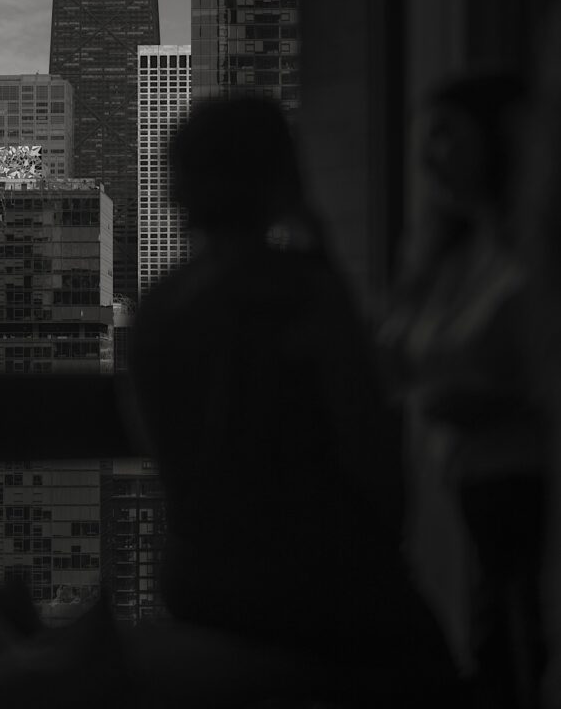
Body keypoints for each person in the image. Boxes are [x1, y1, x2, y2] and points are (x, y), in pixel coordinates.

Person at [126, 94, 469, 707]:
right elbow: (382, 477)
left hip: (196, 581)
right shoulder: (305, 296)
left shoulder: (154, 311)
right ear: (280, 176)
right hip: (311, 587)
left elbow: (168, 463)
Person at [379, 70, 547, 709]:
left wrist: (501, 405)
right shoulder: (443, 256)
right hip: (457, 502)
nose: (429, 156)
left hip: (526, 501)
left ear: (498, 139)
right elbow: (390, 360)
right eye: (426, 139)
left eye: (446, 135)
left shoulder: (531, 255)